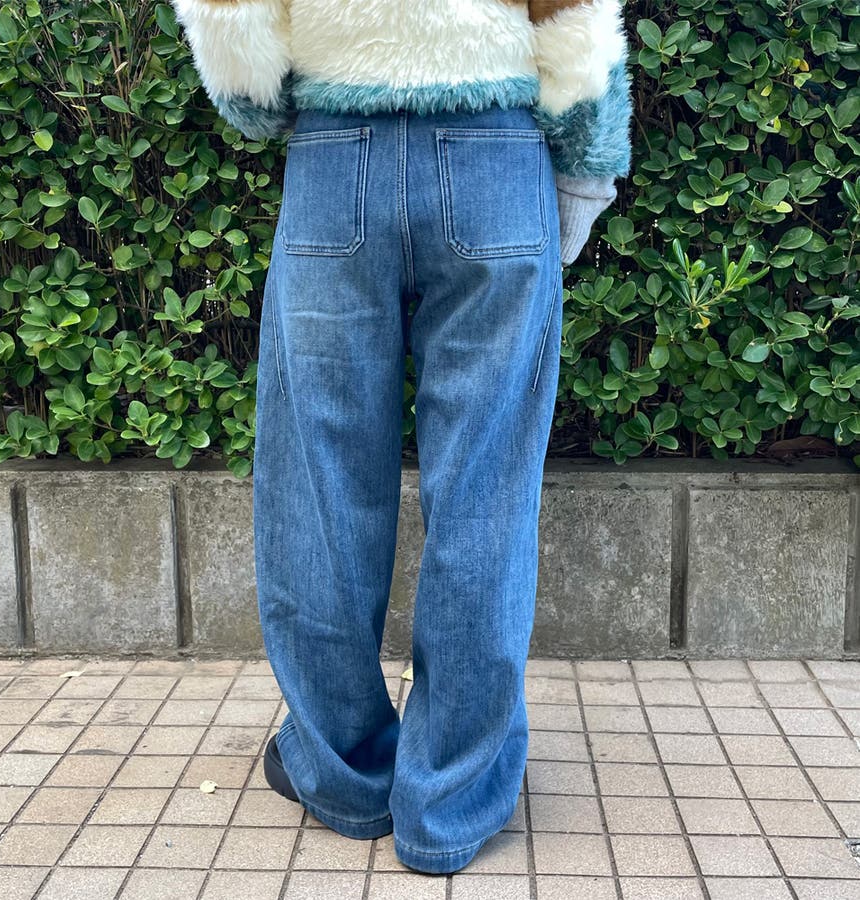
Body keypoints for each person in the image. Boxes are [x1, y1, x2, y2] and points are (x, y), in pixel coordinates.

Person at [170, 0, 633, 875]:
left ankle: (346, 773)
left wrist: (255, 98)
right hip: (497, 157)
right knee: (486, 488)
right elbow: (576, 18)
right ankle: (450, 798)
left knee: (321, 479)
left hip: (336, 156)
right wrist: (585, 175)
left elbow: (235, 35)